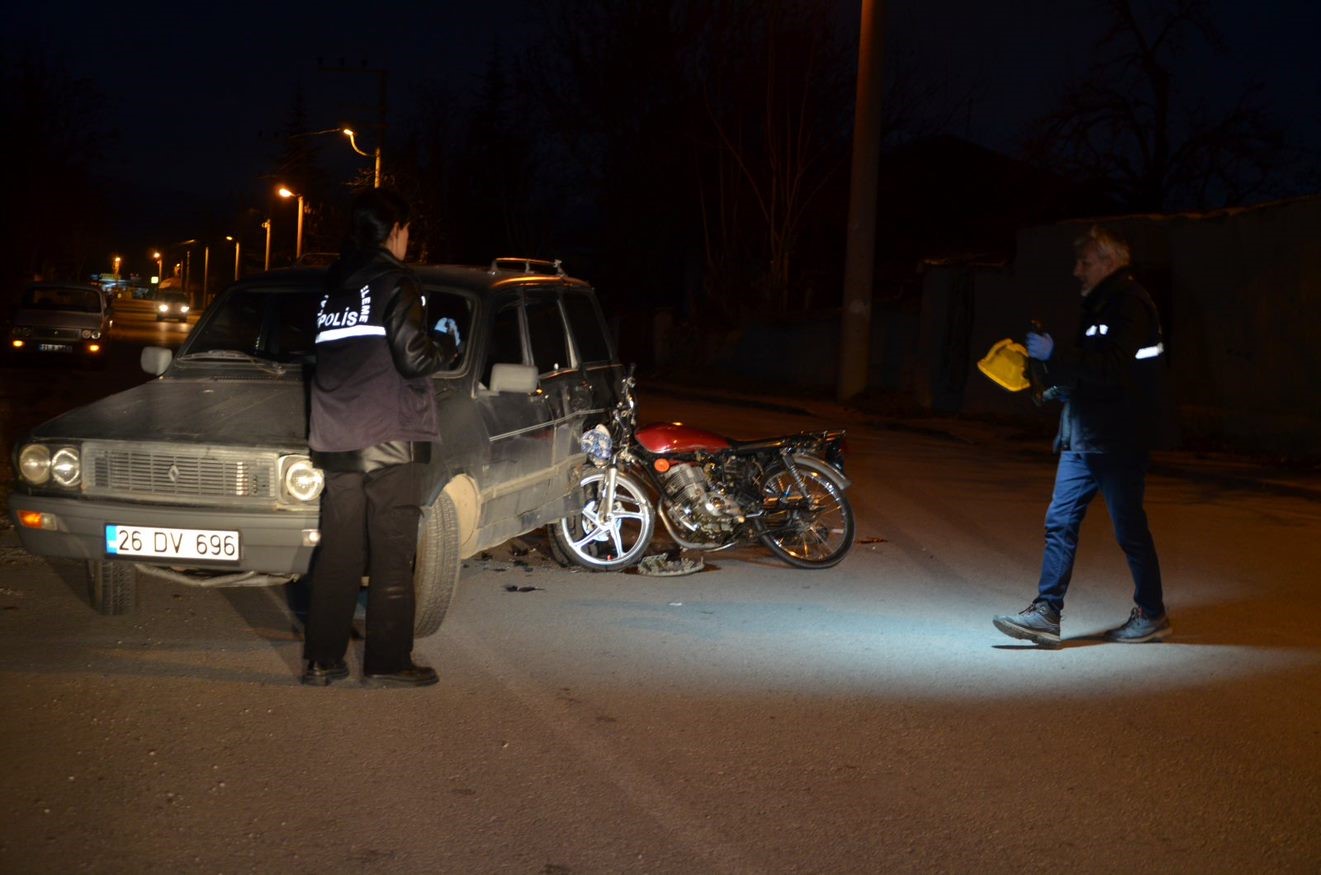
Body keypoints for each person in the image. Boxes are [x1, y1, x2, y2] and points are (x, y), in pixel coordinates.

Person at [301, 188, 459, 686]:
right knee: (392, 552)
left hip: (335, 436)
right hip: (391, 434)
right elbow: (414, 358)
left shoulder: (333, 287)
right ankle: (388, 663)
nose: (408, 239)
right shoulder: (396, 282)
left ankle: (322, 661)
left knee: (338, 554)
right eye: (407, 230)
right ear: (395, 230)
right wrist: (446, 343)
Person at [993, 224, 1171, 648]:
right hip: (1084, 435)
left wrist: (1056, 353)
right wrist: (1055, 385)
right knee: (1060, 521)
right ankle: (1046, 613)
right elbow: (1091, 369)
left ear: (1109, 262)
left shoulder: (1131, 304)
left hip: (1119, 438)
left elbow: (1114, 370)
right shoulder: (1102, 304)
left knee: (1129, 529)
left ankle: (1152, 614)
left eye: (1085, 262)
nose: (1077, 270)